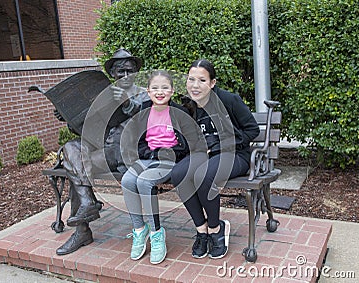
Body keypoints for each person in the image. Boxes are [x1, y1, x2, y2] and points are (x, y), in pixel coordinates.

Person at [55, 49, 150, 255]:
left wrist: (125, 102)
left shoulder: (143, 92)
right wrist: (68, 118)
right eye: (120, 72)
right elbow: (87, 127)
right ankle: (88, 203)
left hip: (124, 153)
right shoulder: (103, 95)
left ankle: (82, 229)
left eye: (129, 71)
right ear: (112, 74)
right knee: (71, 148)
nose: (125, 76)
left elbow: (145, 116)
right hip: (99, 150)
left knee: (76, 169)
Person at [171, 59, 260, 259]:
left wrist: (229, 144)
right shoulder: (190, 106)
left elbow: (252, 130)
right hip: (205, 155)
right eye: (191, 79)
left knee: (205, 175)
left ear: (212, 83)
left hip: (235, 155)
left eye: (202, 80)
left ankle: (215, 228)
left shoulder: (229, 100)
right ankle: (201, 229)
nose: (195, 85)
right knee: (178, 174)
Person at [120, 70, 205, 264]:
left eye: (165, 88)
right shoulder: (143, 113)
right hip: (148, 158)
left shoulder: (179, 113)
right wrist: (148, 154)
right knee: (127, 181)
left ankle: (157, 234)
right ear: (148, 92)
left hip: (169, 160)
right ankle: (140, 231)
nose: (160, 92)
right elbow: (138, 141)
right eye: (155, 88)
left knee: (144, 182)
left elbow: (188, 143)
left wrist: (169, 151)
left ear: (172, 91)